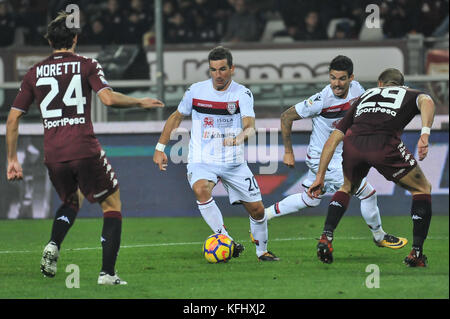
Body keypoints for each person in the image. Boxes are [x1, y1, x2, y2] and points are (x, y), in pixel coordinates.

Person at [5, 12, 164, 285]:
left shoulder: (34, 73)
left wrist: (11, 159)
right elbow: (109, 99)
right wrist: (140, 102)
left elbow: (12, 119)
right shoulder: (87, 64)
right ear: (75, 38)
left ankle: (54, 243)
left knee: (70, 201)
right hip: (83, 146)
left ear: (49, 40)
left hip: (53, 153)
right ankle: (107, 274)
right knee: (111, 203)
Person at [265, 55, 407, 250]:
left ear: (351, 78)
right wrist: (288, 151)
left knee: (310, 199)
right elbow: (286, 117)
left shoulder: (358, 90)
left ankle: (263, 216)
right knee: (368, 194)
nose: (336, 84)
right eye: (332, 78)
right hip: (323, 157)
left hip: (340, 156)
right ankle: (379, 236)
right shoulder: (321, 100)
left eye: (341, 79)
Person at [153, 46, 279, 261]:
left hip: (233, 162)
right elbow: (176, 117)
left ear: (232, 69)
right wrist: (160, 148)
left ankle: (262, 251)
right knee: (201, 189)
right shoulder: (196, 91)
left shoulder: (242, 94)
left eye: (222, 69)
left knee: (258, 211)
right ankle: (227, 240)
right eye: (213, 70)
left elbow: (250, 126)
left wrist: (237, 139)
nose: (218, 75)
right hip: (202, 160)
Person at [308, 68, 435, 267]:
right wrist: (425, 133)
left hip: (353, 144)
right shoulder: (409, 92)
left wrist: (319, 176)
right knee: (422, 188)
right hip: (383, 144)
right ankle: (416, 253)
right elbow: (427, 101)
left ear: (380, 83)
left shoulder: (364, 96)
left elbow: (333, 139)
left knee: (346, 188)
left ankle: (326, 236)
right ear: (401, 84)